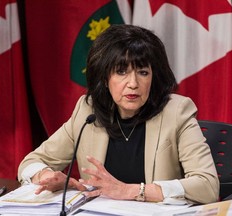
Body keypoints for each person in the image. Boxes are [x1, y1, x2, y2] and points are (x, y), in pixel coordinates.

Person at [18, 24, 219, 204]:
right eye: (121, 72)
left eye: (142, 72)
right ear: (105, 78)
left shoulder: (176, 112)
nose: (133, 83)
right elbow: (30, 163)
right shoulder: (88, 111)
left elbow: (207, 186)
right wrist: (47, 176)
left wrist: (131, 191)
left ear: (153, 78)